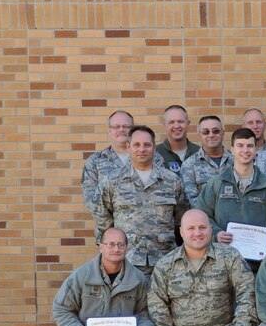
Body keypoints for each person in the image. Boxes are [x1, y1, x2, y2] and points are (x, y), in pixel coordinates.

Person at [93, 125, 188, 278]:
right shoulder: (112, 182)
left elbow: (181, 222)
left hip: (166, 263)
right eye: (136, 145)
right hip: (126, 264)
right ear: (128, 146)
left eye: (147, 145)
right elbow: (103, 223)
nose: (142, 149)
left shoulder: (172, 181)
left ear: (154, 147)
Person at [195, 128, 266, 267]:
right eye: (240, 145)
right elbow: (200, 215)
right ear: (231, 150)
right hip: (221, 262)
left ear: (256, 150)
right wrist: (216, 234)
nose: (245, 150)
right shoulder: (217, 183)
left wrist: (265, 244)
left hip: (257, 265)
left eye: (250, 146)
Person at [81, 110, 143, 214]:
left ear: (133, 130)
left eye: (126, 126)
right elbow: (90, 200)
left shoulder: (152, 158)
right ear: (109, 130)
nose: (121, 129)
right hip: (110, 227)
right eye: (116, 126)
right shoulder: (94, 161)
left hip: (144, 225)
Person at [180, 115, 230, 205]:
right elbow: (191, 201)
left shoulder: (236, 161)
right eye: (206, 132)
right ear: (199, 135)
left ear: (223, 133)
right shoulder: (189, 165)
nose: (211, 135)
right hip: (205, 217)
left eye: (216, 131)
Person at [155, 104, 198, 173]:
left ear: (188, 124)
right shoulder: (155, 153)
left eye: (180, 121)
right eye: (171, 122)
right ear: (165, 125)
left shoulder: (199, 153)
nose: (176, 126)